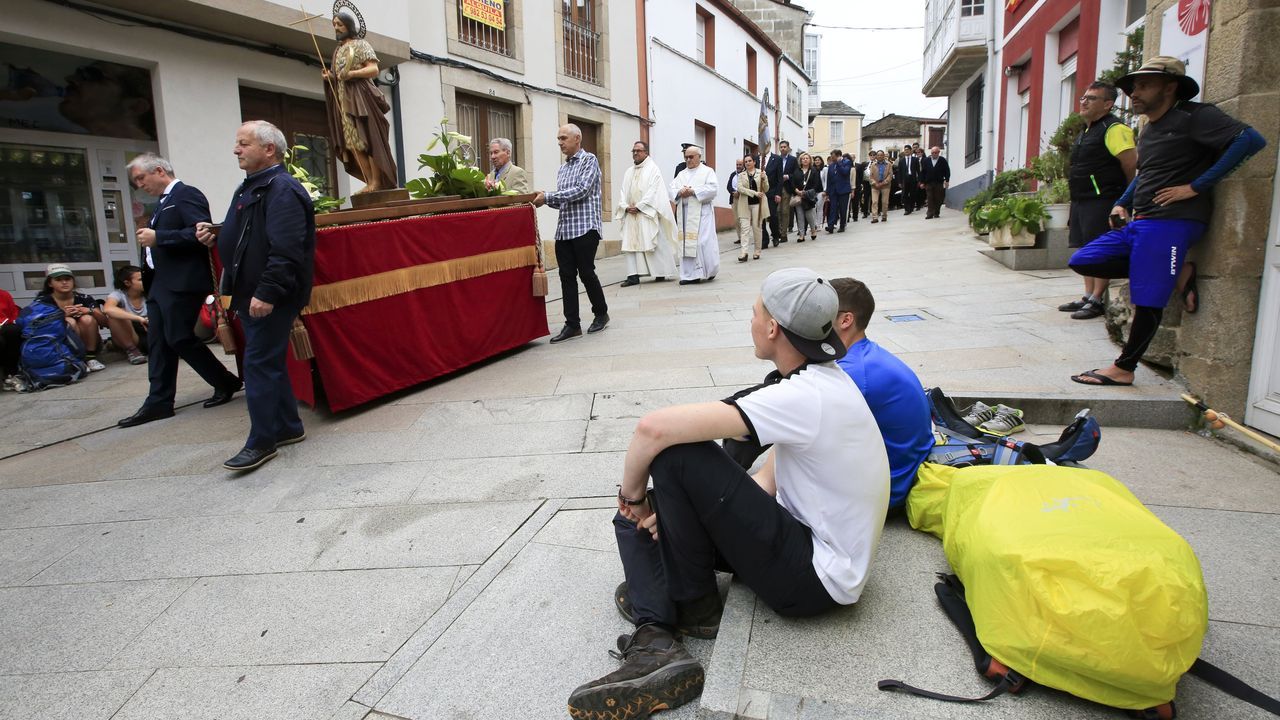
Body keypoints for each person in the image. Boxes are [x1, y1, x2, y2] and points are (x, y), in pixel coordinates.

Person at [566, 268, 889, 719]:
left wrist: (633, 500)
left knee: (676, 455)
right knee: (685, 486)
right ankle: (671, 597)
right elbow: (762, 483)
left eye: (755, 312)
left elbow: (652, 428)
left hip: (815, 581)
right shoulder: (824, 383)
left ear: (773, 327)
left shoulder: (803, 399)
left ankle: (659, 631)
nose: (751, 320)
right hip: (817, 555)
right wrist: (689, 518)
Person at [1069, 57, 1266, 387]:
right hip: (1141, 222)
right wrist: (1121, 202)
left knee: (1147, 295)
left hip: (1171, 222)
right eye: (1133, 87)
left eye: (1144, 85)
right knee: (1084, 259)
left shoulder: (1195, 116)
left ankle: (1124, 368)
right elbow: (1144, 173)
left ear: (1170, 87)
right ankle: (1175, 271)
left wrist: (1195, 186)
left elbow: (1250, 140)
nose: (1134, 93)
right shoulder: (1149, 129)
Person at [196, 120, 315, 471]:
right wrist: (217, 235)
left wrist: (267, 292)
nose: (236, 150)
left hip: (268, 295)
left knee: (258, 365)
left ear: (268, 149)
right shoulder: (254, 186)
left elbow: (287, 249)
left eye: (243, 143)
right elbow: (251, 234)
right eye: (237, 143)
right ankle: (288, 427)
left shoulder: (282, 189)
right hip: (250, 293)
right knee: (268, 363)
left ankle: (261, 441)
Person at [119, 152, 243, 429]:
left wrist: (158, 237)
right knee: (159, 342)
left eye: (141, 177)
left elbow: (203, 234)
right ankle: (158, 402)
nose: (140, 185)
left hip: (182, 283)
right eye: (136, 180)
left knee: (178, 338)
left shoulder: (186, 195)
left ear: (160, 170)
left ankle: (224, 381)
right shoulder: (163, 203)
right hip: (160, 283)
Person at [831, 278, 933, 511]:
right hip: (902, 473)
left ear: (846, 320)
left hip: (889, 491)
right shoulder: (864, 355)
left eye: (821, 310)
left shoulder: (854, 372)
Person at [1058, 82, 1137, 321]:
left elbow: (1130, 165)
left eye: (1091, 98)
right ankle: (1088, 294)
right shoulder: (1088, 130)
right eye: (1083, 97)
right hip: (1082, 199)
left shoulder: (1114, 129)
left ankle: (1097, 299)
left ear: (1107, 104)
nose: (1084, 101)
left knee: (1101, 250)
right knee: (1086, 247)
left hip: (1103, 198)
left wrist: (1124, 199)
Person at [534, 124, 609, 342]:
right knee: (566, 277)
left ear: (577, 139)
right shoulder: (563, 168)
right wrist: (545, 201)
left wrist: (548, 197)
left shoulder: (589, 160)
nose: (560, 142)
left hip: (586, 227)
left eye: (564, 138)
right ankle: (572, 325)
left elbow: (581, 191)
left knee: (586, 272)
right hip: (565, 230)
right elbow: (564, 202)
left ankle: (601, 314)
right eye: (558, 138)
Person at [324, 7, 397, 193]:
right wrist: (331, 77)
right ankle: (369, 180)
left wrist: (352, 74)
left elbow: (373, 70)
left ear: (348, 25)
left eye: (339, 24)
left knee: (368, 138)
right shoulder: (338, 50)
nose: (337, 28)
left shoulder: (361, 45)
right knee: (352, 142)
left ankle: (377, 182)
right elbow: (339, 76)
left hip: (361, 97)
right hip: (343, 100)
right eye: (334, 25)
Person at [616, 141, 678, 286]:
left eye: (638, 150)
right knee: (630, 244)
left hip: (646, 213)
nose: (635, 153)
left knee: (653, 242)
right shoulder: (629, 171)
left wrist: (640, 206)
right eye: (634, 151)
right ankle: (633, 275)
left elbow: (654, 191)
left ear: (646, 153)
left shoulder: (653, 169)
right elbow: (623, 192)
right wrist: (625, 206)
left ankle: (660, 272)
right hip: (631, 214)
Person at [34, 264, 105, 372]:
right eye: (58, 280)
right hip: (58, 347)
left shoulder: (84, 298)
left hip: (92, 343)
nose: (64, 282)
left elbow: (105, 323)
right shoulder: (43, 302)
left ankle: (90, 358)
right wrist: (61, 315)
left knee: (87, 319)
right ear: (50, 283)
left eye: (67, 279)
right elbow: (37, 326)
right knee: (69, 321)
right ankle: (76, 359)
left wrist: (89, 311)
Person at [670, 145, 720, 285]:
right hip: (685, 215)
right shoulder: (682, 174)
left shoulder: (707, 171)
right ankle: (688, 275)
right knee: (686, 244)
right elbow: (671, 189)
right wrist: (680, 191)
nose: (688, 160)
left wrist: (693, 191)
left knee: (702, 243)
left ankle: (709, 270)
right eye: (686, 157)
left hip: (702, 214)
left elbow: (713, 189)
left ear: (699, 156)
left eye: (691, 157)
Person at [102, 265, 148, 366]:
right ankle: (132, 351)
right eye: (140, 279)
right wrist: (138, 318)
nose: (145, 281)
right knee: (115, 314)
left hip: (150, 332)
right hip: (132, 334)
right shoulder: (118, 295)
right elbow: (108, 309)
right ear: (127, 283)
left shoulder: (150, 293)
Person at [731, 154, 768, 262]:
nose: (747, 163)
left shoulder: (760, 173)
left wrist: (764, 179)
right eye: (745, 161)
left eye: (749, 161)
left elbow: (766, 188)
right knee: (744, 229)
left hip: (758, 204)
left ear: (754, 162)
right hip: (744, 204)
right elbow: (740, 188)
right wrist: (754, 193)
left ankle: (757, 251)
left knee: (757, 228)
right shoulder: (741, 175)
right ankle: (744, 252)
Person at [763, 140, 798, 246]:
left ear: (788, 148)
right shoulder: (775, 159)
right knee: (776, 212)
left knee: (785, 211)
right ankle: (777, 232)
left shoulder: (793, 160)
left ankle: (783, 234)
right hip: (775, 187)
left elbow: (796, 173)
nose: (782, 148)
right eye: (781, 147)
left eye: (784, 147)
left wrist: (788, 176)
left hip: (786, 187)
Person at [789, 152, 823, 242]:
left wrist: (806, 192)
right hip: (798, 196)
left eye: (807, 158)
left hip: (809, 196)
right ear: (800, 160)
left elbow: (816, 184)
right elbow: (792, 183)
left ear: (810, 160)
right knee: (799, 216)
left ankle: (812, 230)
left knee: (809, 215)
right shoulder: (797, 171)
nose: (805, 160)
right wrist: (796, 190)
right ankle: (801, 235)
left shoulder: (814, 170)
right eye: (803, 158)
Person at [826, 149, 853, 234]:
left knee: (842, 208)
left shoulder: (847, 162)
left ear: (838, 156)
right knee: (833, 208)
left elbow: (845, 172)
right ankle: (830, 226)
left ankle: (842, 225)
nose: (832, 159)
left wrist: (839, 163)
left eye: (833, 157)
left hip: (843, 190)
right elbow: (829, 179)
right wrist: (827, 192)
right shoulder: (831, 166)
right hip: (833, 191)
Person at [0, 289, 22, 391]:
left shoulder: (4, 294)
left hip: (4, 327)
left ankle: (11, 374)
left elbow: (13, 314)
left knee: (13, 331)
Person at [920, 146, 950, 219]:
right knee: (930, 198)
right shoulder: (926, 160)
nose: (934, 154)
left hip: (939, 182)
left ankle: (936, 212)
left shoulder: (942, 160)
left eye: (935, 153)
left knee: (938, 198)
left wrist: (947, 180)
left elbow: (947, 171)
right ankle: (929, 214)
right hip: (929, 182)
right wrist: (922, 182)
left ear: (938, 153)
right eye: (932, 153)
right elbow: (923, 172)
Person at [868, 150, 893, 223]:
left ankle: (884, 216)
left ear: (883, 156)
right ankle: (875, 217)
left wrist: (883, 183)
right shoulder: (873, 165)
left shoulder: (889, 164)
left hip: (885, 185)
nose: (879, 156)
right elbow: (870, 176)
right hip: (875, 185)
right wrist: (874, 183)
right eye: (878, 155)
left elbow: (890, 175)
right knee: (874, 201)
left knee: (884, 202)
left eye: (881, 155)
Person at [896, 144, 919, 215]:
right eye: (905, 150)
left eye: (907, 150)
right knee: (904, 194)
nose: (906, 151)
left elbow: (918, 170)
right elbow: (899, 172)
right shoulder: (901, 161)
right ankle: (906, 209)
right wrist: (899, 182)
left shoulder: (915, 160)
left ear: (910, 151)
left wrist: (920, 180)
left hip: (913, 178)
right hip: (904, 179)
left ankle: (911, 207)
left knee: (913, 194)